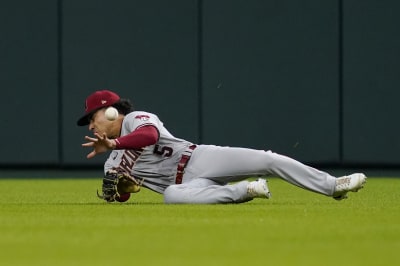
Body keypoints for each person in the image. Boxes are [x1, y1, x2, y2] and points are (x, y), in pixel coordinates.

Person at [77, 90, 367, 204]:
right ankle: (246, 190)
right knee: (171, 197)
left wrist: (114, 142)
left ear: (111, 110)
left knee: (267, 159)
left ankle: (333, 185)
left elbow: (150, 136)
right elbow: (116, 196)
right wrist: (123, 189)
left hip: (199, 159)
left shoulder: (136, 119)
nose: (91, 125)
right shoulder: (111, 162)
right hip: (187, 185)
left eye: (93, 117)